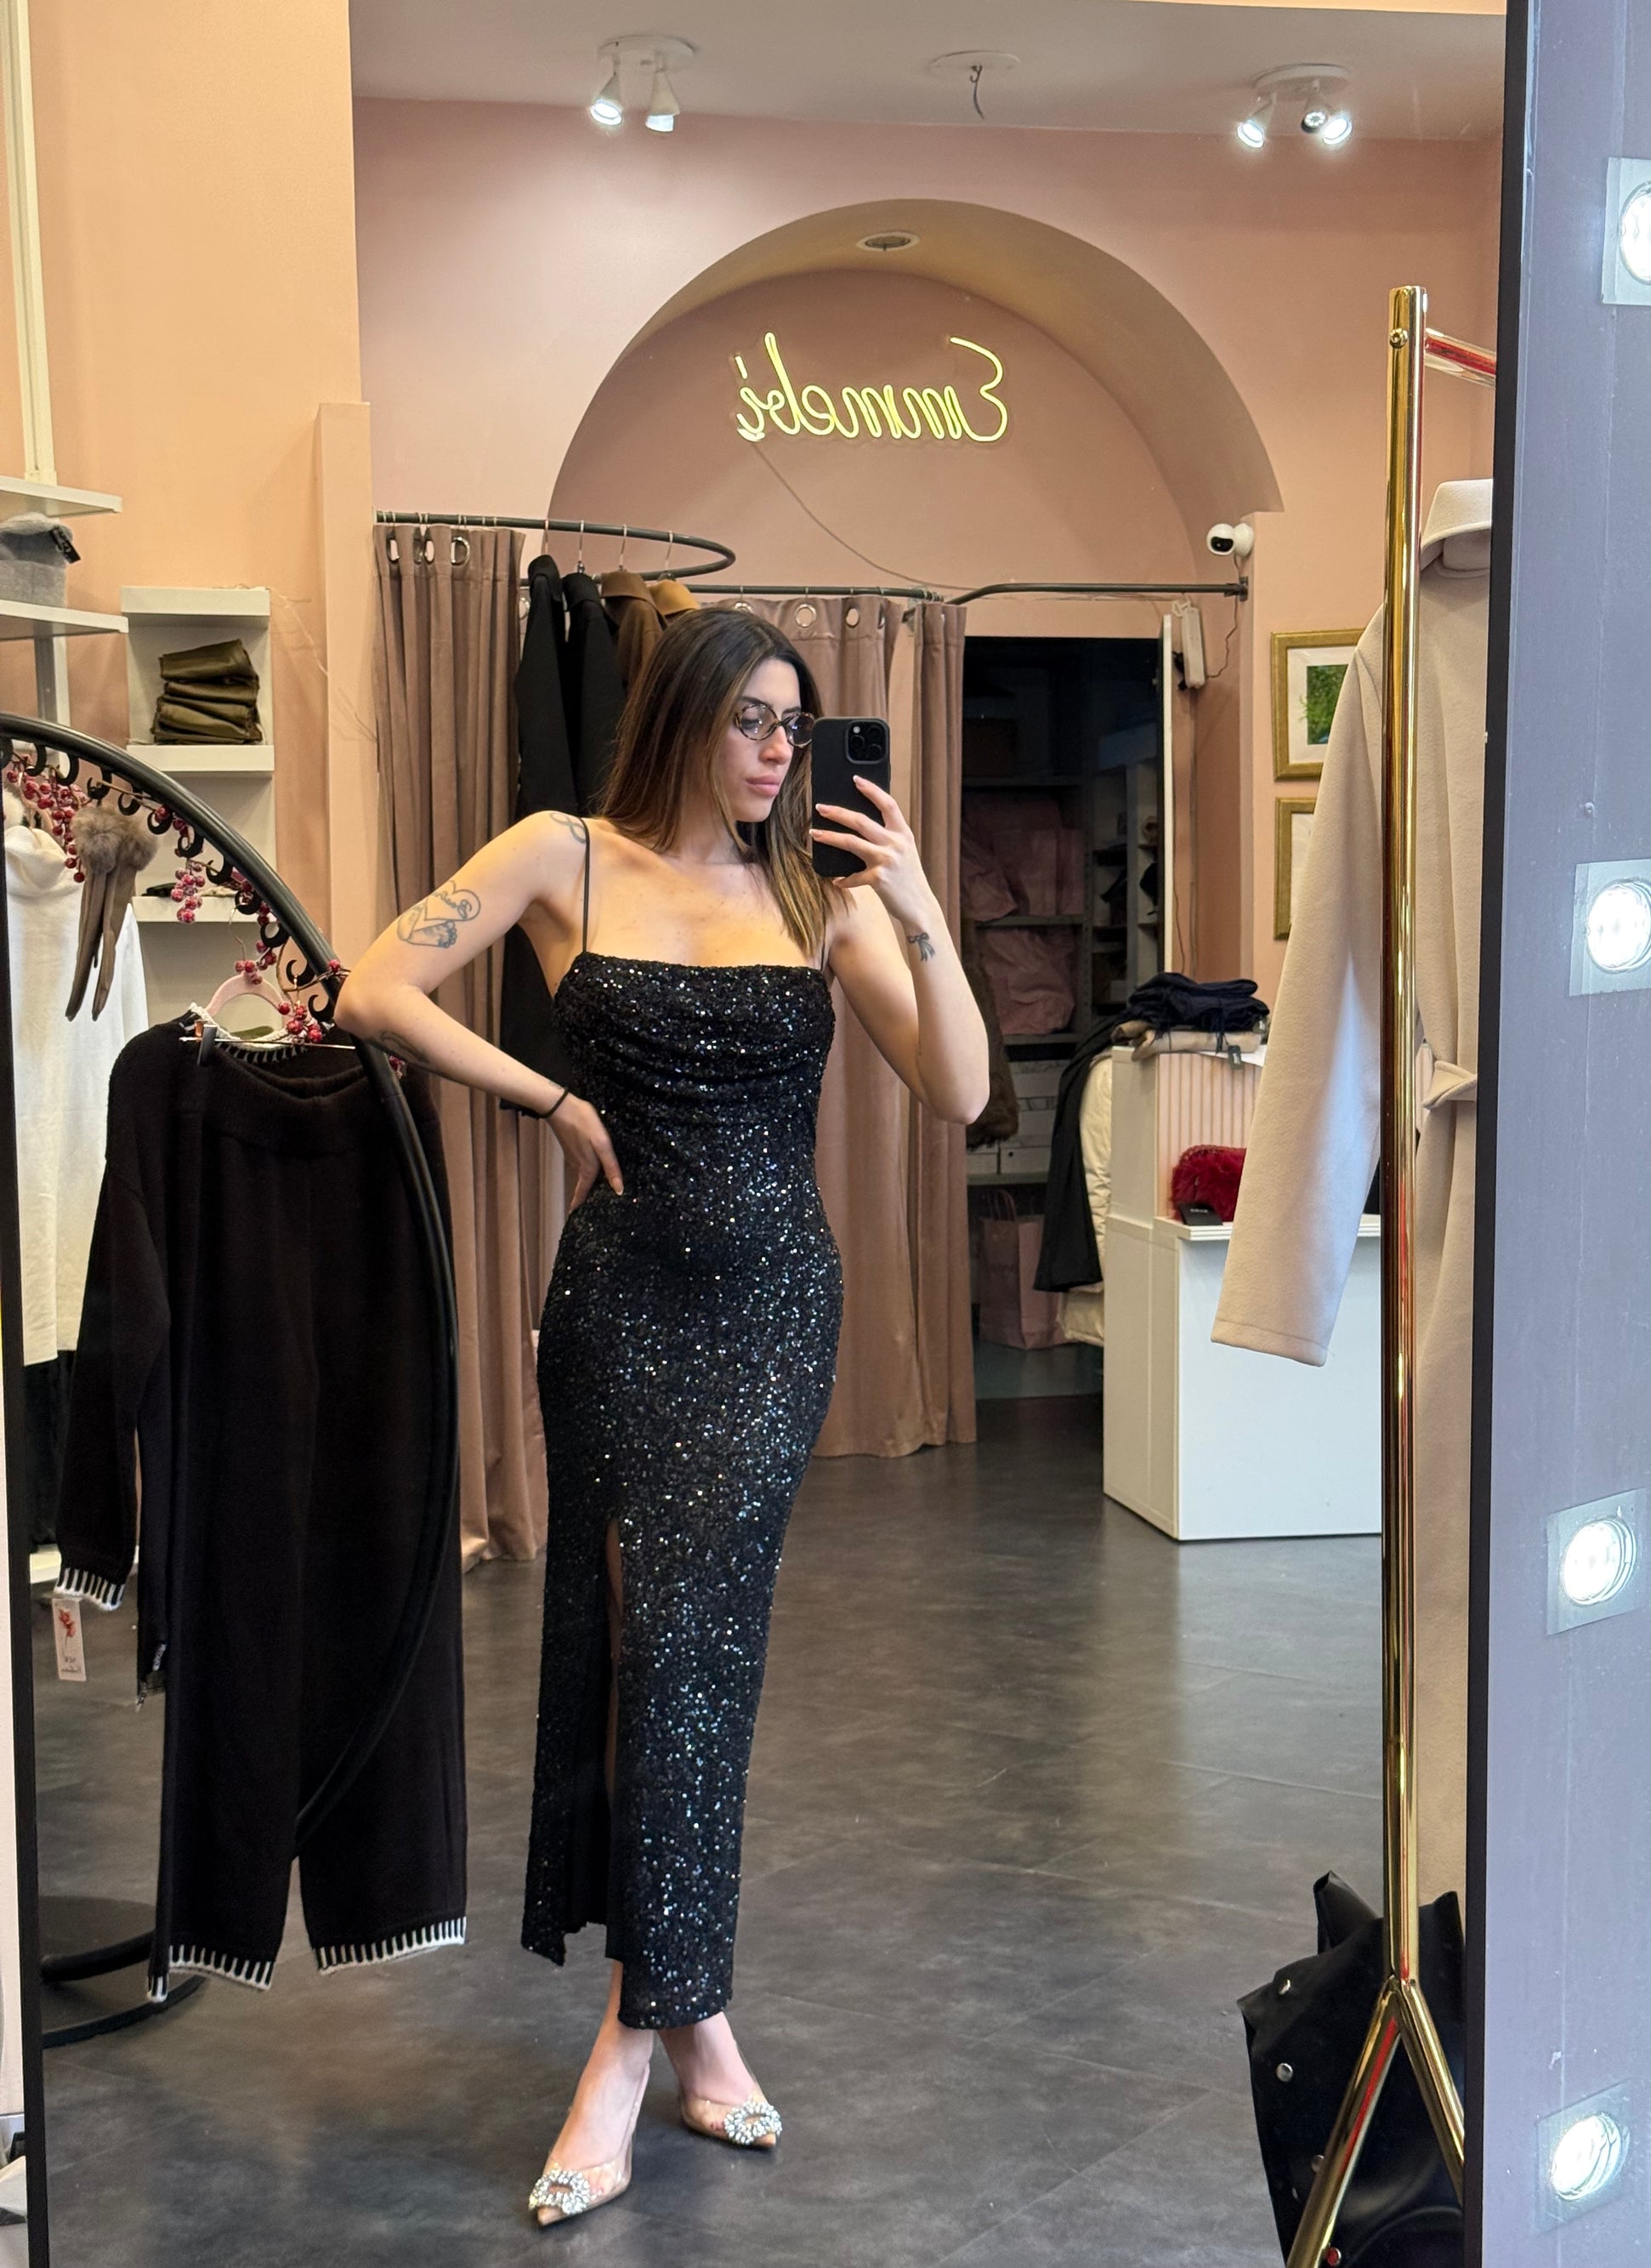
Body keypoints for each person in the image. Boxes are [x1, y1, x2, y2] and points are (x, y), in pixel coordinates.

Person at [337, 605, 988, 2224]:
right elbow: (375, 988)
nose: (780, 749)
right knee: (643, 1661)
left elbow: (963, 1090)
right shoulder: (563, 853)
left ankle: (627, 2050)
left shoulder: (822, 898)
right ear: (687, 716)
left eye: (796, 723)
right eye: (754, 718)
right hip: (620, 1308)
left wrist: (916, 902)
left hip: (770, 1316)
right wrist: (553, 1098)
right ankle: (696, 2021)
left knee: (693, 1657)